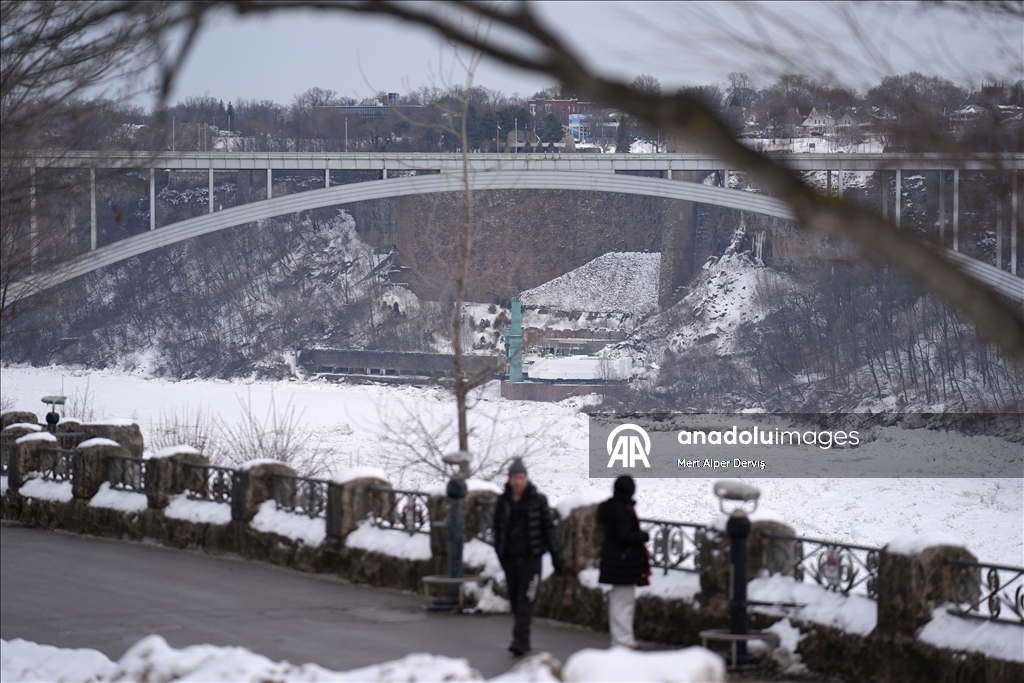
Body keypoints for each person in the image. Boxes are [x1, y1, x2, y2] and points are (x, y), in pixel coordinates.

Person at [492, 457, 564, 656]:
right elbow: (497, 529)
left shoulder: (538, 500)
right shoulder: (502, 502)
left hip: (532, 559)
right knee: (516, 600)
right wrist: (500, 552)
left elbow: (548, 529)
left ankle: (520, 640)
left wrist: (556, 556)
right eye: (515, 478)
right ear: (509, 479)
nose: (518, 482)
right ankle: (523, 639)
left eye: (521, 478)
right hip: (510, 558)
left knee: (527, 599)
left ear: (527, 478)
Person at [597, 475, 651, 649]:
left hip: (616, 561)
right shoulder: (622, 510)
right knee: (623, 601)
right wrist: (643, 536)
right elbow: (624, 535)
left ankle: (621, 637)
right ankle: (623, 639)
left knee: (620, 600)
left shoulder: (611, 507)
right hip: (623, 562)